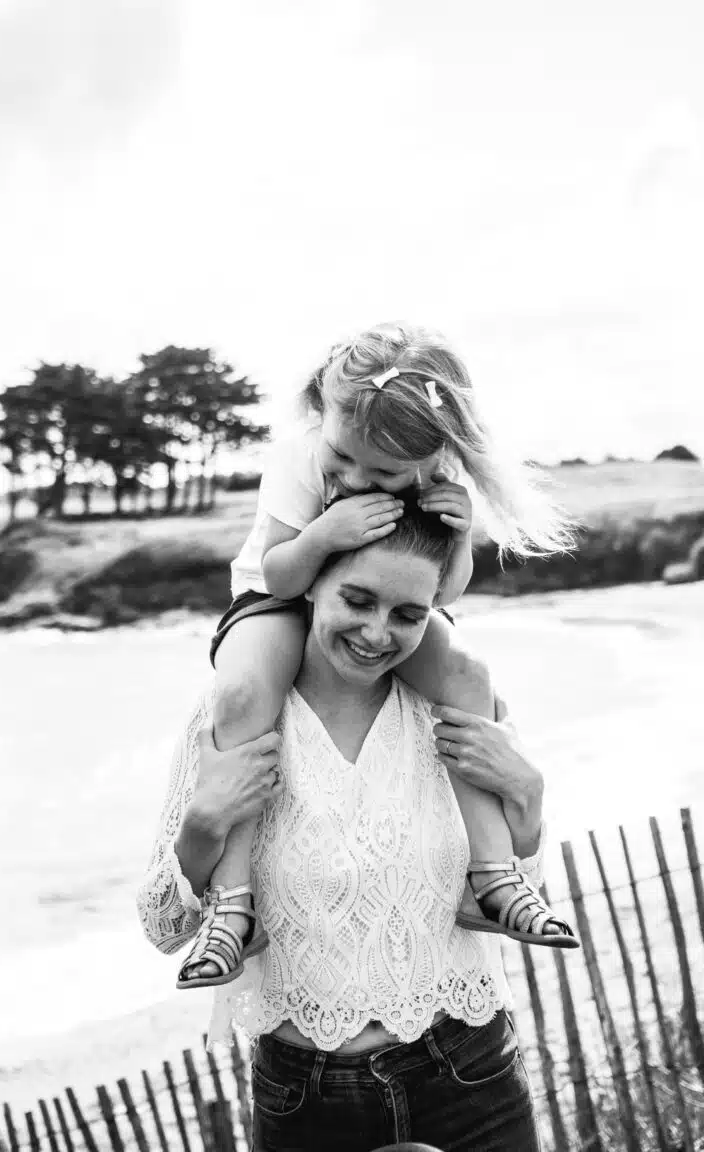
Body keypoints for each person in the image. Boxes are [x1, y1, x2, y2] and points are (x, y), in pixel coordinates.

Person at [137, 499, 571, 1151]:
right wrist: (202, 827)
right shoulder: (233, 718)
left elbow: (516, 896)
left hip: (469, 1074)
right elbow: (164, 930)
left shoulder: (453, 711)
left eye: (407, 615)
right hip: (305, 1100)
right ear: (312, 582)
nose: (377, 632)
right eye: (358, 600)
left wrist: (528, 802)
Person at [176, 322, 575, 985]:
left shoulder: (437, 475)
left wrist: (462, 531)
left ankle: (494, 876)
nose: (358, 478)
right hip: (276, 596)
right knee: (243, 696)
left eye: (383, 473)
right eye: (345, 459)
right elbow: (278, 574)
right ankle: (232, 904)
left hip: (376, 598)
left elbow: (443, 589)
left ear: (429, 456)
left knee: (468, 677)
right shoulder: (302, 456)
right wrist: (324, 533)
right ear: (324, 417)